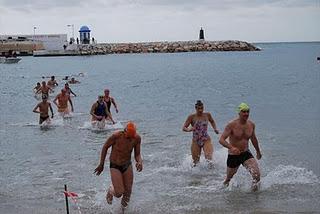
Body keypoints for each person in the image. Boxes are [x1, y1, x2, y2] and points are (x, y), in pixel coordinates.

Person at [94, 122, 143, 209]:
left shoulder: (137, 138)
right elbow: (105, 147)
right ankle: (110, 190)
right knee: (119, 192)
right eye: (129, 137)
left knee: (128, 192)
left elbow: (137, 154)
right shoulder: (116, 136)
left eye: (132, 137)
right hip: (115, 165)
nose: (130, 139)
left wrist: (139, 162)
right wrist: (101, 164)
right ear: (125, 132)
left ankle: (122, 211)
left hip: (127, 165)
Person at [219, 103, 262, 191]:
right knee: (228, 179)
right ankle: (221, 193)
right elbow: (221, 140)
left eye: (247, 111)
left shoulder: (251, 125)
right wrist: (231, 148)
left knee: (256, 175)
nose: (246, 114)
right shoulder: (231, 124)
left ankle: (254, 196)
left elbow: (253, 139)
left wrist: (258, 151)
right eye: (243, 112)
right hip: (233, 155)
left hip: (246, 153)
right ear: (239, 113)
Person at [182, 100, 219, 167]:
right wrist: (189, 129)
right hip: (196, 140)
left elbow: (212, 121)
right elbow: (184, 128)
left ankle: (212, 175)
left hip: (206, 139)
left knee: (209, 158)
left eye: (202, 108)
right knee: (195, 162)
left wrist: (215, 129)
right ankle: (196, 177)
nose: (200, 110)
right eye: (198, 108)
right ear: (195, 108)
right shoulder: (191, 117)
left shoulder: (207, 115)